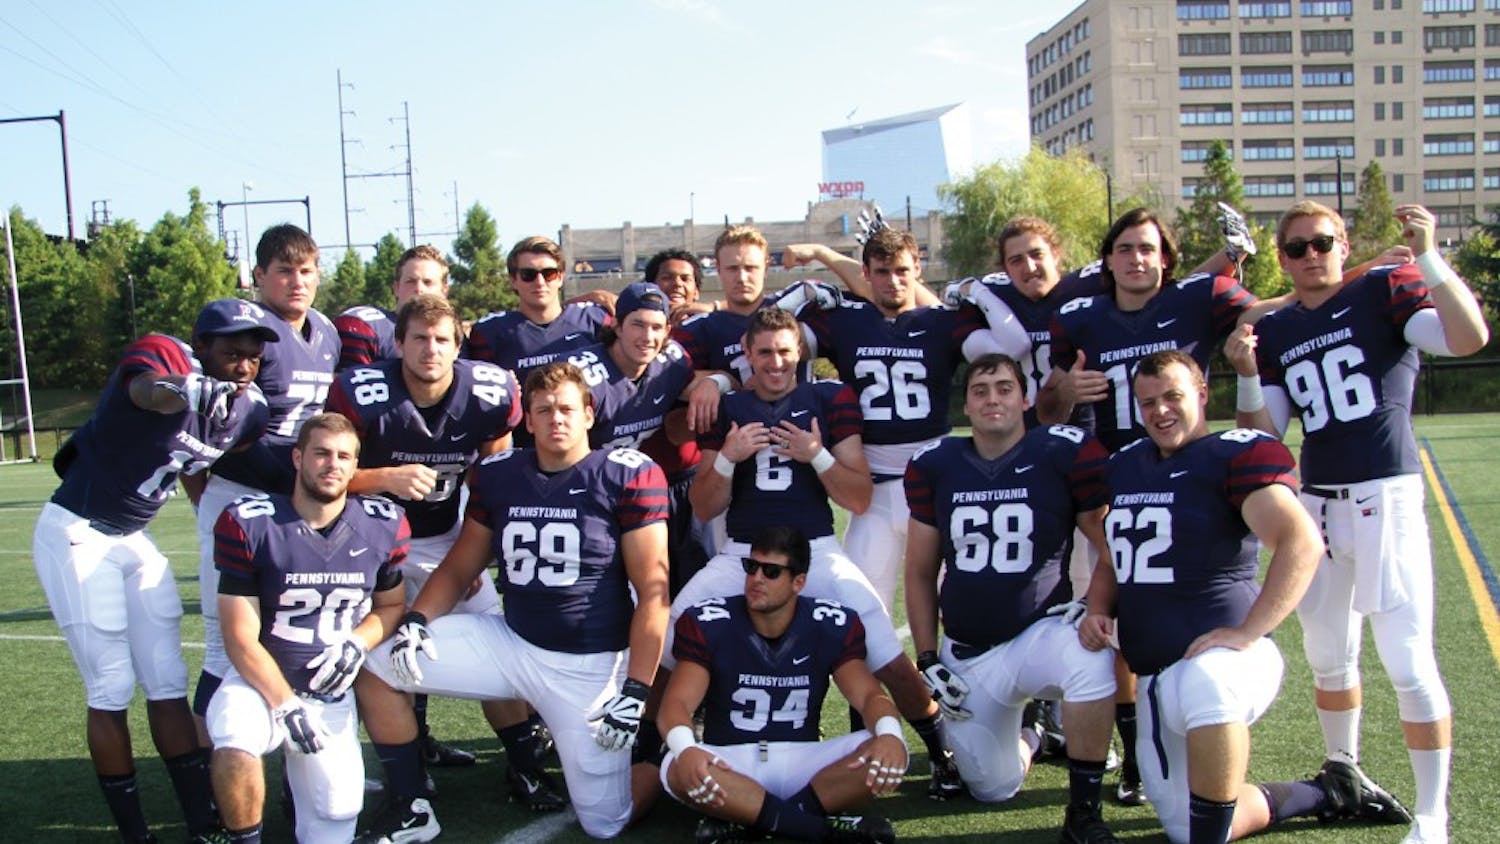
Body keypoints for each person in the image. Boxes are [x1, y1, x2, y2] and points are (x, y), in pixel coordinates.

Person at [1229, 202, 1489, 844]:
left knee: (1406, 662)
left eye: (1322, 242)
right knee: (1328, 658)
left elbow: (1468, 338)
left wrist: (1429, 257)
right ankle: (1343, 770)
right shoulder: (1283, 328)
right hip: (1315, 502)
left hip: (1385, 496)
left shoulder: (1382, 291)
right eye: (1295, 248)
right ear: (1282, 258)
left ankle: (1434, 815)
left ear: (1343, 245)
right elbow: (1263, 437)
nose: (1310, 254)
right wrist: (1244, 377)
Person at [1080, 350, 1409, 844]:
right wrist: (1099, 607)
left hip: (1223, 661)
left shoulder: (1232, 454)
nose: (1160, 411)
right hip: (1153, 675)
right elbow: (1112, 554)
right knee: (1184, 827)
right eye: (1147, 402)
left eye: (1173, 396)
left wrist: (1248, 631)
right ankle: (1328, 791)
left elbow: (1301, 541)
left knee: (1206, 684)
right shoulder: (1127, 465)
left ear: (1202, 394)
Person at [355, 361, 671, 840]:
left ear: (589, 414)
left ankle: (659, 762)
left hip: (587, 666)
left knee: (605, 824)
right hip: (510, 642)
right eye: (543, 410)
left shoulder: (626, 474)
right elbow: (462, 564)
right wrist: (419, 618)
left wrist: (635, 691)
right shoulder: (500, 473)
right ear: (528, 419)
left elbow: (653, 591)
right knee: (377, 661)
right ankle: (411, 805)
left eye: (566, 408)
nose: (556, 419)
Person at [667, 307, 965, 801]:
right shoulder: (730, 409)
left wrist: (816, 455)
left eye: (785, 350)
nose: (776, 361)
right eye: (764, 351)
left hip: (815, 550)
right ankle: (658, 746)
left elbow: (859, 497)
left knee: (887, 655)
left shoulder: (828, 397)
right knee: (665, 646)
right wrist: (728, 457)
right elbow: (703, 505)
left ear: (799, 352)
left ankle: (940, 751)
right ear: (747, 354)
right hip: (742, 551)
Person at [33, 297, 276, 843]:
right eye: (231, 352)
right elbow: (147, 389)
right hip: (78, 531)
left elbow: (236, 463)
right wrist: (183, 391)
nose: (243, 365)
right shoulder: (168, 358)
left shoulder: (249, 409)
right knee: (112, 684)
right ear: (202, 348)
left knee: (167, 681)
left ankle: (200, 822)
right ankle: (135, 833)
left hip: (131, 537)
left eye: (253, 357)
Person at [1036, 207, 1259, 803]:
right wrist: (1064, 390)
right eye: (1126, 248)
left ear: (1166, 258)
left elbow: (1271, 314)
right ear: (1107, 259)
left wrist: (1358, 274)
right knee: (1112, 624)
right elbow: (1047, 409)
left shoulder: (1199, 298)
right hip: (1113, 483)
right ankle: (1136, 754)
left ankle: (1199, 712)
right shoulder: (1081, 317)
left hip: (1190, 476)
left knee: (1188, 603)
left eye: (1148, 248)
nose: (1137, 258)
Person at [324, 293, 541, 796]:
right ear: (397, 343)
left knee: (499, 644)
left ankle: (524, 765)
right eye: (419, 338)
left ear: (458, 346)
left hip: (446, 536)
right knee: (362, 658)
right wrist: (383, 476)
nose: (431, 349)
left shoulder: (488, 390)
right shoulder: (360, 391)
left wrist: (471, 553)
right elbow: (324, 472)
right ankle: (403, 769)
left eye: (443, 339)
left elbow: (493, 477)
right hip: (371, 545)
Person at [904, 353, 1120, 843]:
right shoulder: (937, 464)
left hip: (1041, 631)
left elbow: (1109, 546)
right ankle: (1034, 735)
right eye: (981, 390)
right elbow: (918, 572)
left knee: (1092, 658)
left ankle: (1084, 811)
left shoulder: (1059, 451)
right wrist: (926, 655)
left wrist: (1097, 606)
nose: (993, 398)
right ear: (967, 406)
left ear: (1025, 399)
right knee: (993, 788)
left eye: (1004, 388)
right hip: (971, 651)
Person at [771, 226, 1011, 610]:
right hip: (875, 491)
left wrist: (977, 294)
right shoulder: (845, 319)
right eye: (882, 271)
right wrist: (803, 292)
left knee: (961, 601)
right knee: (863, 605)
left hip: (936, 483)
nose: (893, 281)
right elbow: (774, 345)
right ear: (865, 273)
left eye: (902, 270)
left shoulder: (942, 321)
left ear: (917, 267)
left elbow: (1007, 352)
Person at [207, 413, 410, 843]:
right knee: (233, 736)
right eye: (320, 453)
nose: (331, 464)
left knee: (337, 814)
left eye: (343, 456)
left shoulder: (382, 524)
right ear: (298, 458)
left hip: (329, 693)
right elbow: (239, 636)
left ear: (356, 467)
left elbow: (391, 605)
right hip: (263, 684)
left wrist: (359, 641)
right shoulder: (252, 523)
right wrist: (283, 703)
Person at [659, 526, 904, 844]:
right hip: (732, 761)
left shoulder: (829, 623)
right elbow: (675, 704)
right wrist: (687, 748)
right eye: (752, 567)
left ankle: (754, 823)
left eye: (771, 571)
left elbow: (869, 695)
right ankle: (819, 830)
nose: (756, 578)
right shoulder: (710, 622)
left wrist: (890, 735)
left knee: (886, 750)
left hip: (805, 761)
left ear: (798, 582)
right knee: (677, 766)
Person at [193, 224, 340, 718]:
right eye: (283, 272)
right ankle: (207, 779)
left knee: (296, 635)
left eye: (305, 271)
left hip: (293, 501)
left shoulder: (326, 332)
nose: (296, 282)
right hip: (241, 494)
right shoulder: (247, 330)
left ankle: (302, 765)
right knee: (225, 643)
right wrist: (206, 497)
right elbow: (206, 426)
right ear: (259, 276)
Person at [466, 235, 613, 393]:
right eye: (528, 275)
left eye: (549, 273)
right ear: (513, 280)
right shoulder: (490, 332)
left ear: (561, 277)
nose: (540, 282)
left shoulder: (595, 320)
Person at [333, 244, 451, 370]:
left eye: (428, 282)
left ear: (444, 291)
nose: (419, 289)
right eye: (410, 281)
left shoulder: (455, 336)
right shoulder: (369, 328)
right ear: (396, 288)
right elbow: (350, 387)